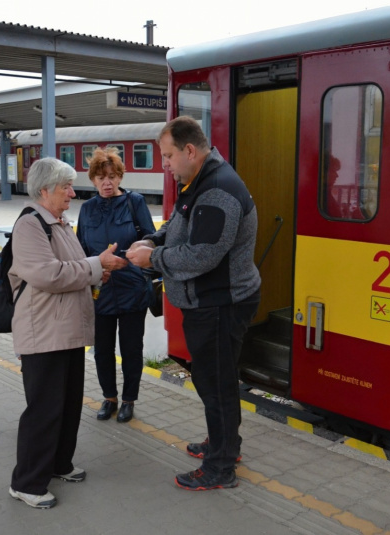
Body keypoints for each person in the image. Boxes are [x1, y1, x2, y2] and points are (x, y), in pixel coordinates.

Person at [127, 116, 261, 491]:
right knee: (213, 379)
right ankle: (223, 444)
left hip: (220, 304)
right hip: (211, 302)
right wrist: (152, 241)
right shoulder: (199, 181)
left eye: (168, 156)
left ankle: (221, 466)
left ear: (189, 150)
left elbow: (202, 255)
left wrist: (152, 259)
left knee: (215, 383)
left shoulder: (217, 190)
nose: (165, 164)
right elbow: (178, 226)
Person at [8, 157, 127, 509]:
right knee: (44, 409)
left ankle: (59, 463)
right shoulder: (29, 225)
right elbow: (48, 274)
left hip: (67, 331)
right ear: (45, 190)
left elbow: (73, 269)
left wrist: (97, 271)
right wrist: (96, 265)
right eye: (66, 187)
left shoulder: (59, 224)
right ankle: (27, 482)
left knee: (68, 403)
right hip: (44, 334)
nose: (73, 193)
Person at [77, 147, 156, 424]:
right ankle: (109, 397)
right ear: (93, 180)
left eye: (112, 176)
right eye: (101, 178)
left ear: (120, 177)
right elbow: (81, 249)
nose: (107, 182)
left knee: (132, 349)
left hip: (133, 289)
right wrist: (94, 271)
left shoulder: (135, 202)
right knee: (102, 350)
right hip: (101, 290)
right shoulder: (87, 209)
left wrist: (136, 268)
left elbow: (152, 241)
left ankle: (129, 399)